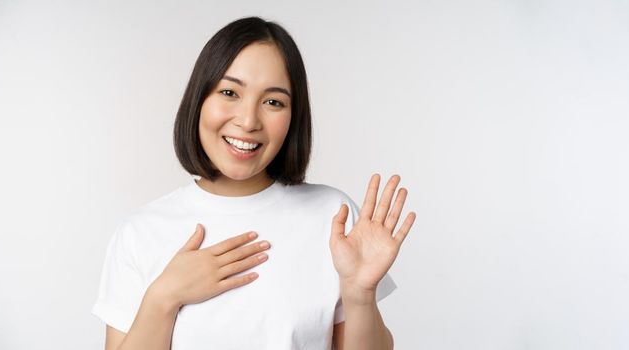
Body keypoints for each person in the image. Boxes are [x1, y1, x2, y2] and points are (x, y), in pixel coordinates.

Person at [91, 16, 416, 350]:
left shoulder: (332, 218)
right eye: (230, 92)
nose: (248, 121)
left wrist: (360, 295)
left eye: (273, 102)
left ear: (293, 117)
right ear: (199, 100)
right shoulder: (141, 232)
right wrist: (163, 297)